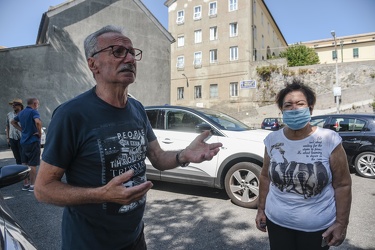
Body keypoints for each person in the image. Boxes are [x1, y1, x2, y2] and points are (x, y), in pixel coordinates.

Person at [34, 25, 223, 250]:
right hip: (88, 243)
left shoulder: (137, 109)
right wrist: (102, 194)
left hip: (134, 238)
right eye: (118, 51)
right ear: (93, 64)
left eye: (133, 52)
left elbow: (158, 157)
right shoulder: (71, 114)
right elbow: (43, 189)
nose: (130, 58)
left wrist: (184, 155)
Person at [255, 79, 352, 250]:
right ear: (281, 110)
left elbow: (343, 185)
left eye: (300, 104)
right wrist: (261, 210)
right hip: (277, 223)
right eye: (288, 105)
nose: (294, 109)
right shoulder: (272, 140)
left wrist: (341, 224)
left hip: (316, 229)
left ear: (310, 108)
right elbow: (265, 176)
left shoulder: (329, 140)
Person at [11, 98, 42, 192]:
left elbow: (12, 122)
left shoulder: (21, 113)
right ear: (35, 104)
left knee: (24, 163)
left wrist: (21, 130)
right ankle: (33, 185)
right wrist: (39, 133)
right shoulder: (33, 112)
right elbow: (38, 121)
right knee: (33, 164)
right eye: (38, 104)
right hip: (33, 141)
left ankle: (26, 184)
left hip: (23, 142)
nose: (38, 105)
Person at [6, 98, 24, 165]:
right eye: (12, 105)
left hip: (22, 138)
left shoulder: (24, 114)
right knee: (17, 157)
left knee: (23, 157)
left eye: (15, 104)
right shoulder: (9, 114)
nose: (13, 106)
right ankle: (19, 171)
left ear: (20, 105)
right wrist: (8, 138)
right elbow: (7, 126)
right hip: (12, 138)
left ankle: (25, 171)